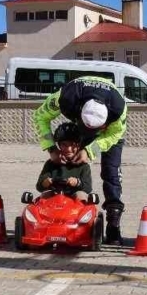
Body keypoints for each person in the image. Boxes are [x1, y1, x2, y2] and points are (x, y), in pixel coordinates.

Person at [32, 76, 128, 242]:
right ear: (80, 110)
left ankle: (114, 225)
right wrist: (52, 148)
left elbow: (115, 134)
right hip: (79, 113)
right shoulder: (65, 98)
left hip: (111, 134)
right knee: (69, 162)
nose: (90, 134)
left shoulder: (118, 110)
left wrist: (90, 151)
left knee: (111, 172)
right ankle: (65, 217)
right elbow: (40, 116)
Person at [36, 122, 93, 201]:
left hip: (75, 202)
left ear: (79, 145)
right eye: (64, 145)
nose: (69, 149)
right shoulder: (51, 164)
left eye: (72, 144)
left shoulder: (83, 166)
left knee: (81, 195)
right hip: (55, 199)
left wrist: (77, 182)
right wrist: (46, 182)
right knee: (45, 194)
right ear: (58, 146)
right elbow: (39, 186)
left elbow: (88, 188)